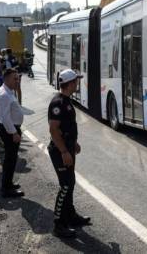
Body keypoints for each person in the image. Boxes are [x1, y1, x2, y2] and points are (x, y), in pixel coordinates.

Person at [48, 69, 90, 238]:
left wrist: (74, 143)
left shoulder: (66, 100)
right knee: (65, 186)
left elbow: (66, 127)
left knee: (70, 184)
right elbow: (53, 129)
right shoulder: (58, 103)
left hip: (68, 149)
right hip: (60, 152)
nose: (77, 83)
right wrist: (64, 151)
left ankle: (70, 216)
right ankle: (59, 224)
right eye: (76, 81)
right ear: (70, 83)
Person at [0, 68, 24, 197]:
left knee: (12, 159)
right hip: (9, 130)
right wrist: (14, 133)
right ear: (6, 78)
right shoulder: (4, 94)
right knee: (10, 159)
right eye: (15, 78)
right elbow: (5, 117)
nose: (17, 81)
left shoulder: (9, 91)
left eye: (18, 78)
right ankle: (6, 188)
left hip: (11, 128)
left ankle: (8, 183)